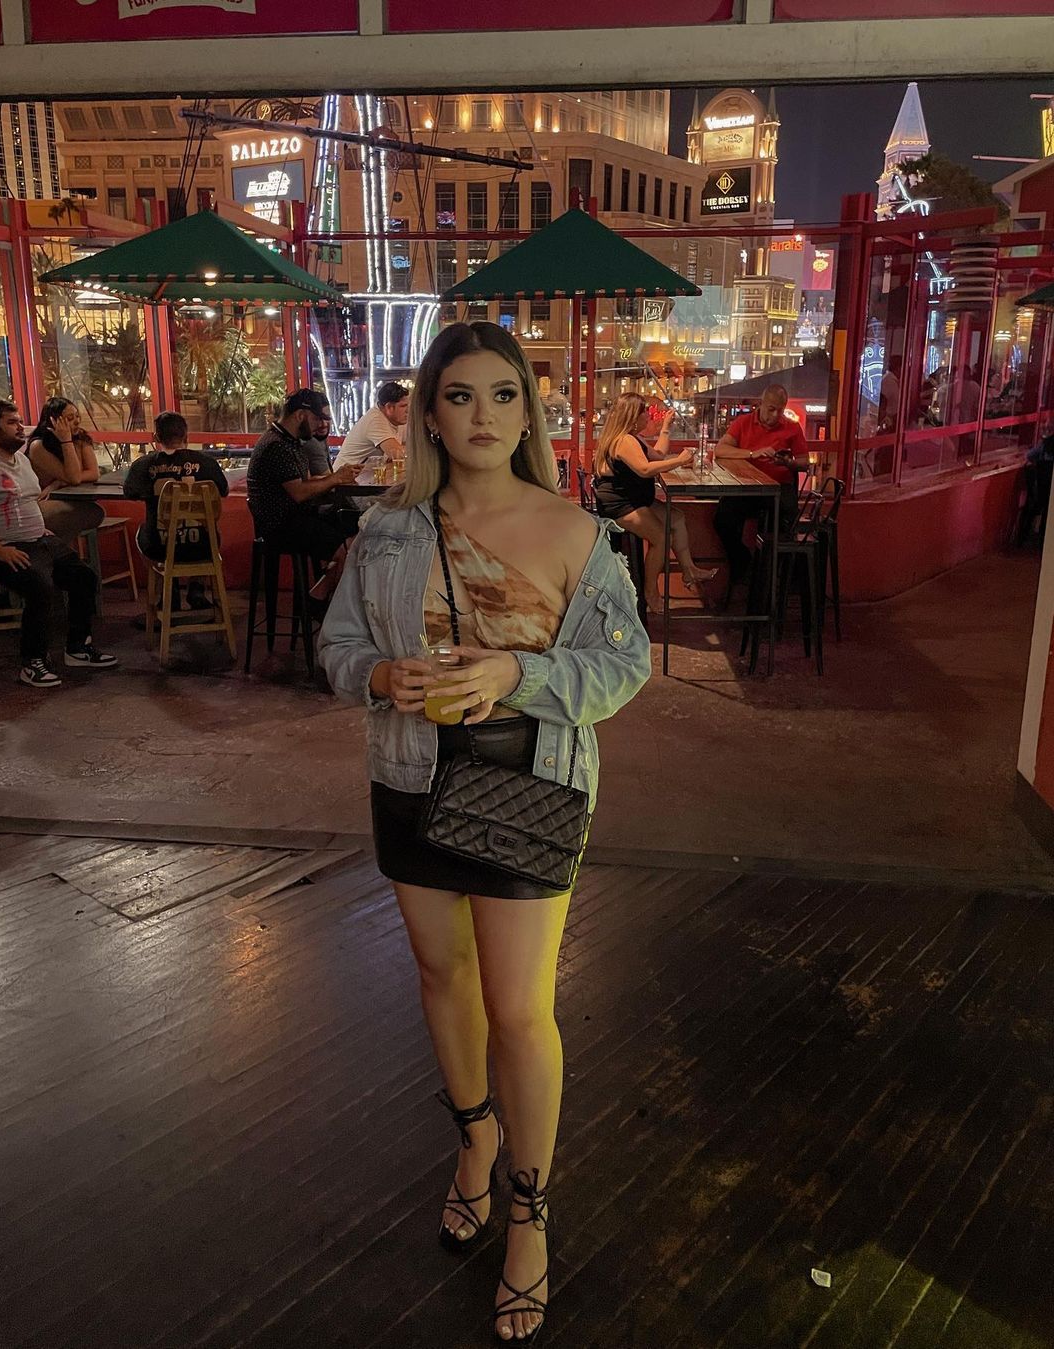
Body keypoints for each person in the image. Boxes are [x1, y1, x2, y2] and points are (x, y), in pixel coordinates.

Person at [318, 322, 651, 1345]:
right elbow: (336, 645)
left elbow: (624, 664)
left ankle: (530, 1210)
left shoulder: (579, 531)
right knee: (441, 974)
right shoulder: (387, 529)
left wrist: (518, 671)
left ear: (528, 411)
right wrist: (380, 673)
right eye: (459, 396)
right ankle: (474, 1140)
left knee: (519, 1008)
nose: (483, 416)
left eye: (504, 395)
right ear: (427, 413)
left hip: (530, 784)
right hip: (410, 778)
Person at [0, 399, 117, 688]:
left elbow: (29, 500)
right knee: (39, 587)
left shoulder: (22, 460)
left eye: (19, 421)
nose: (20, 427)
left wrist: (41, 528)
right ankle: (32, 663)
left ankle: (78, 648)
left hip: (38, 538)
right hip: (1, 547)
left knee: (84, 576)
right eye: (11, 423)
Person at [591, 392, 717, 614]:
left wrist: (666, 429)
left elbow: (658, 455)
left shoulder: (632, 438)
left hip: (636, 499)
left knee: (676, 518)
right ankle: (651, 594)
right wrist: (679, 461)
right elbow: (645, 469)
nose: (648, 417)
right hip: (621, 504)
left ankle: (689, 571)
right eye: (645, 413)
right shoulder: (624, 440)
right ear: (634, 417)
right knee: (661, 537)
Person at [123, 410, 228, 611]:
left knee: (142, 533)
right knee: (209, 530)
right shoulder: (207, 463)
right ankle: (196, 589)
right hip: (202, 546)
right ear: (186, 436)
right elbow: (223, 490)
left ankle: (168, 592)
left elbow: (130, 492)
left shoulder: (144, 465)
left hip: (160, 545)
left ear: (156, 438)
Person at [246, 388, 358, 562]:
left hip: (296, 518)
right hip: (282, 526)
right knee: (350, 548)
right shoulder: (277, 445)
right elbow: (299, 492)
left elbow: (306, 480)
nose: (320, 425)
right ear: (300, 415)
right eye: (316, 419)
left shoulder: (290, 440)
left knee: (358, 523)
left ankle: (331, 579)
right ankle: (334, 578)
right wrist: (336, 478)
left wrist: (339, 478)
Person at [712, 383, 809, 583]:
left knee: (777, 531)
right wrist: (752, 453)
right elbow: (720, 450)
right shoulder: (744, 422)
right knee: (723, 518)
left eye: (780, 410)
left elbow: (804, 462)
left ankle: (767, 581)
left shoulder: (792, 427)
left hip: (779, 488)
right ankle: (743, 560)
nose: (775, 415)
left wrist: (787, 462)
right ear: (761, 404)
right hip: (747, 487)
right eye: (771, 409)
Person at [26, 396, 105, 547]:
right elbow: (74, 478)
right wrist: (66, 441)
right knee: (93, 512)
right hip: (39, 504)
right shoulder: (39, 445)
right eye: (70, 418)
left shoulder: (80, 438)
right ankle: (56, 552)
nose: (76, 421)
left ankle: (59, 552)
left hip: (65, 498)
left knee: (95, 512)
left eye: (77, 416)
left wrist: (58, 482)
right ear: (54, 421)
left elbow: (93, 473)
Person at [331, 380, 409, 480]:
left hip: (365, 480)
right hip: (344, 483)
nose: (408, 410)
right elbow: (397, 453)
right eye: (403, 406)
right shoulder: (375, 419)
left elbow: (412, 445)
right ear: (389, 407)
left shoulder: (398, 420)